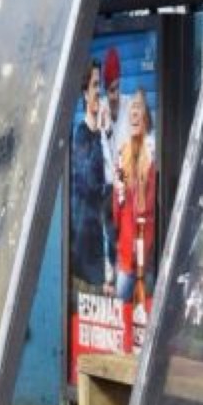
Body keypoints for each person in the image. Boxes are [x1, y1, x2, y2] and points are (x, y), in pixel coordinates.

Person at [71, 61, 114, 293]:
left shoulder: (103, 133)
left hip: (105, 240)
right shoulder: (82, 135)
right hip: (87, 251)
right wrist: (99, 133)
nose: (100, 91)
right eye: (95, 85)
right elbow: (89, 184)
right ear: (85, 93)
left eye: (101, 85)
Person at [112, 89, 156, 305]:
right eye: (131, 109)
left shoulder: (152, 153)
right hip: (127, 250)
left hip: (145, 250)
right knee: (122, 306)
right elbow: (117, 205)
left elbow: (147, 207)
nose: (134, 113)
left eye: (138, 107)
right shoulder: (123, 154)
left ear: (146, 115)